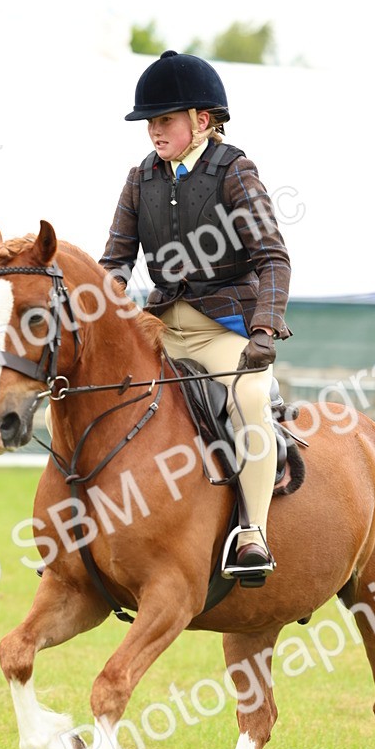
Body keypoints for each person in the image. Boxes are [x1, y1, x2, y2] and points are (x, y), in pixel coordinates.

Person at [99, 49, 292, 579]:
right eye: (150, 123)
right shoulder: (141, 178)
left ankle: (253, 534)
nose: (154, 132)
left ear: (202, 121)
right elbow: (115, 261)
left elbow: (273, 257)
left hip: (222, 329)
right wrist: (99, 311)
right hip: (160, 326)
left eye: (164, 120)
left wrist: (264, 327)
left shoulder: (235, 171)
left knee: (250, 398)